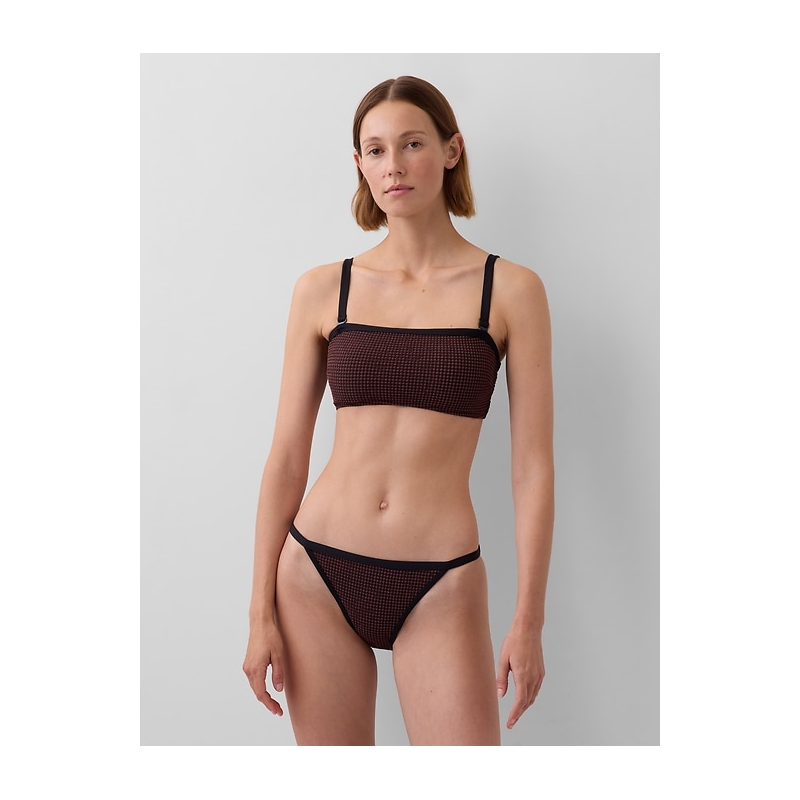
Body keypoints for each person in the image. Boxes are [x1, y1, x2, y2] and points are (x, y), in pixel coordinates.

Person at [242, 75, 554, 746]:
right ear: (360, 164)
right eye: (376, 150)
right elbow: (288, 457)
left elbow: (532, 469)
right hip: (316, 570)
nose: (394, 166)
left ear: (451, 150)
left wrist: (529, 620)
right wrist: (258, 610)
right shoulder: (324, 289)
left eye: (412, 144)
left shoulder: (510, 291)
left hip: (441, 580)